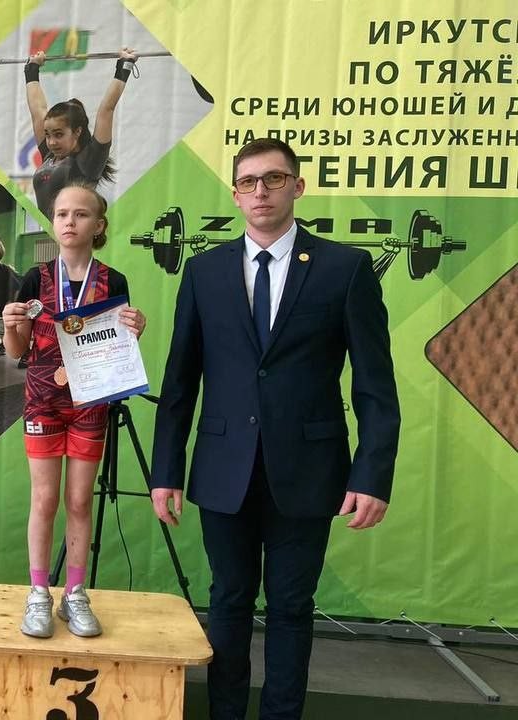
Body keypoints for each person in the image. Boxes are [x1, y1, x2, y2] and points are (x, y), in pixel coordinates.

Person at [149, 137, 399, 720]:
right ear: (236, 195)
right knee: (228, 601)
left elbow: (375, 386)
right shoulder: (204, 272)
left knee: (291, 606)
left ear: (297, 187)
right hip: (222, 469)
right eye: (248, 182)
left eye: (274, 179)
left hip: (309, 471)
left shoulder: (345, 268)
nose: (260, 191)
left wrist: (373, 474)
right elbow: (180, 381)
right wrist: (166, 470)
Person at [2, 180, 145, 638]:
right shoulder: (35, 279)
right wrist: (9, 327)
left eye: (81, 214)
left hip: (90, 406)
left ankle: (76, 594)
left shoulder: (113, 281)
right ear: (53, 222)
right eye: (62, 213)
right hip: (43, 403)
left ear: (98, 225)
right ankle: (38, 594)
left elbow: (118, 350)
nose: (70, 221)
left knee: (80, 500)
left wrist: (134, 331)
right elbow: (16, 352)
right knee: (44, 500)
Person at [25, 48, 136, 221]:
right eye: (47, 135)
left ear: (77, 131)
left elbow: (106, 110)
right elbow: (37, 111)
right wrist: (32, 69)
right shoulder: (50, 154)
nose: (51, 142)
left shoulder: (90, 160)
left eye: (58, 135)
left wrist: (125, 64)